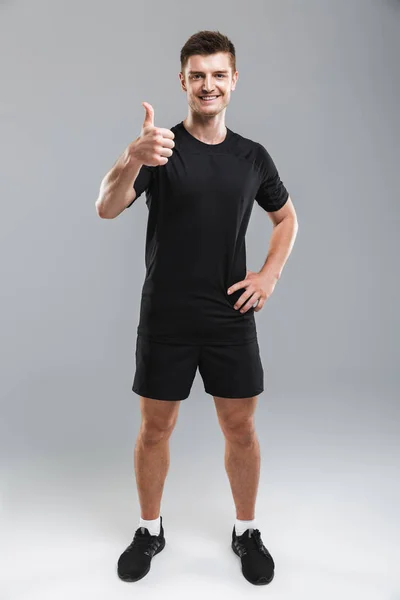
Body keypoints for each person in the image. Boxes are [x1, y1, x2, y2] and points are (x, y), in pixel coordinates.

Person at [96, 30, 298, 586]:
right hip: (166, 315)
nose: (208, 84)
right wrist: (130, 158)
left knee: (240, 429)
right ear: (182, 82)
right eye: (197, 75)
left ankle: (247, 530)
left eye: (218, 74)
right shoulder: (158, 149)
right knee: (155, 429)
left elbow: (287, 219)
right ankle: (149, 528)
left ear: (233, 81)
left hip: (230, 317)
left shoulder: (252, 156)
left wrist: (269, 273)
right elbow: (106, 207)